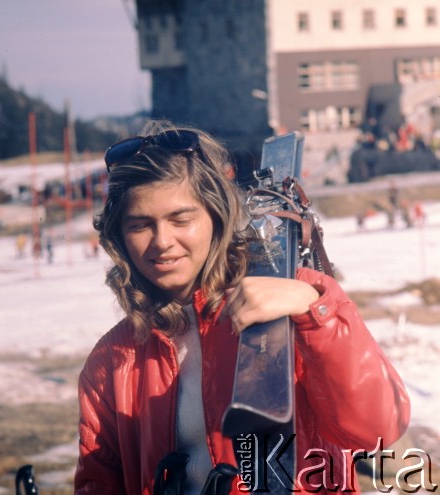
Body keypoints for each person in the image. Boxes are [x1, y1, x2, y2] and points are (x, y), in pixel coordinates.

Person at [74, 122, 410, 495]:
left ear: (216, 218)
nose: (163, 241)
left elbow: (378, 428)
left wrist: (316, 314)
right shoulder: (112, 361)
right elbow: (99, 483)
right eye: (140, 225)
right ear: (118, 235)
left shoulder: (295, 298)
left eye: (181, 219)